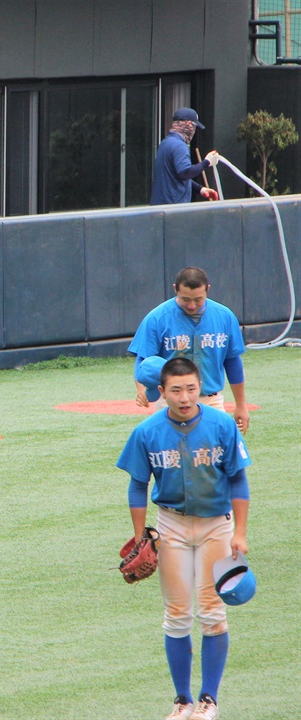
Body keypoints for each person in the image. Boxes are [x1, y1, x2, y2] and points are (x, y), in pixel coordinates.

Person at [116, 356, 250, 720]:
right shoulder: (147, 431)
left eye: (191, 388)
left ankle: (209, 699)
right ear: (162, 392)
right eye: (176, 390)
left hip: (216, 527)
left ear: (199, 387)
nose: (185, 396)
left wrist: (240, 532)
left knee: (212, 612)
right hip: (171, 525)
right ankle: (181, 700)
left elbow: (238, 478)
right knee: (176, 615)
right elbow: (137, 485)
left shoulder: (222, 424)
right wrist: (140, 533)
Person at [129, 267, 248, 434]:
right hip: (171, 401)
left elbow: (232, 361)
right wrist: (141, 389)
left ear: (208, 289)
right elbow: (144, 361)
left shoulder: (224, 316)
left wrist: (241, 405)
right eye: (185, 299)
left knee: (215, 453)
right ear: (175, 289)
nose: (192, 305)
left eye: (198, 299)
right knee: (170, 453)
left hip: (211, 400)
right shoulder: (157, 318)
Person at [152, 108, 220, 206]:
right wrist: (207, 162)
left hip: (160, 208)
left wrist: (200, 189)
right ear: (188, 124)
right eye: (194, 126)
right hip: (174, 209)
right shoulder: (180, 146)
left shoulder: (165, 143)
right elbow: (185, 173)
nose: (194, 131)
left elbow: (175, 176)